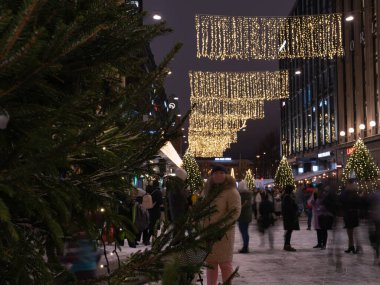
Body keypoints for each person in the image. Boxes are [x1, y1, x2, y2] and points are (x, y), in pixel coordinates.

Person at [204, 165, 241, 285]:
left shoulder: (231, 192)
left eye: (221, 173)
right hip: (208, 234)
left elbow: (234, 212)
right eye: (215, 173)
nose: (218, 175)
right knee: (211, 264)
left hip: (223, 235)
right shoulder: (209, 192)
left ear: (226, 175)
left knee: (225, 264)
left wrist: (220, 226)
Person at [166, 168, 190, 241]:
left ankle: (177, 241)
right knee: (179, 230)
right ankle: (177, 242)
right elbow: (181, 198)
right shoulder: (177, 185)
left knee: (178, 229)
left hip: (177, 211)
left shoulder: (175, 184)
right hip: (179, 211)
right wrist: (187, 193)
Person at [308, 184, 334, 249]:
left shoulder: (325, 195)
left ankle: (324, 244)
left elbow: (327, 205)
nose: (317, 190)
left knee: (324, 230)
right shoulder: (315, 195)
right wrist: (312, 202)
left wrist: (319, 208)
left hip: (324, 215)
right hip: (317, 215)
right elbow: (310, 202)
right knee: (318, 230)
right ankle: (319, 243)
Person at [340, 179, 361, 254]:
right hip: (350, 213)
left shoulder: (350, 193)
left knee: (352, 231)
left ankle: (354, 246)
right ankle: (351, 246)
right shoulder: (351, 193)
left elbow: (342, 201)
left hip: (350, 213)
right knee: (350, 231)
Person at [143, 179, 163, 245]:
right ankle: (148, 239)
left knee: (152, 225)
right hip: (156, 210)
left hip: (150, 209)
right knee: (154, 225)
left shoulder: (151, 191)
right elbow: (160, 202)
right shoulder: (158, 192)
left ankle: (151, 239)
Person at [281, 184, 299, 251]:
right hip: (289, 217)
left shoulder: (286, 197)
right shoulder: (287, 197)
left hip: (287, 217)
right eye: (291, 189)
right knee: (289, 231)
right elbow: (290, 208)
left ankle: (286, 245)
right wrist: (294, 215)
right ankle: (287, 245)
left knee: (288, 231)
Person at [237, 179, 253, 253]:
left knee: (244, 232)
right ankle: (245, 246)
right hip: (247, 216)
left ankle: (245, 247)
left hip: (243, 216)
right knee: (245, 232)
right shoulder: (249, 195)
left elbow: (240, 206)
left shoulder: (241, 195)